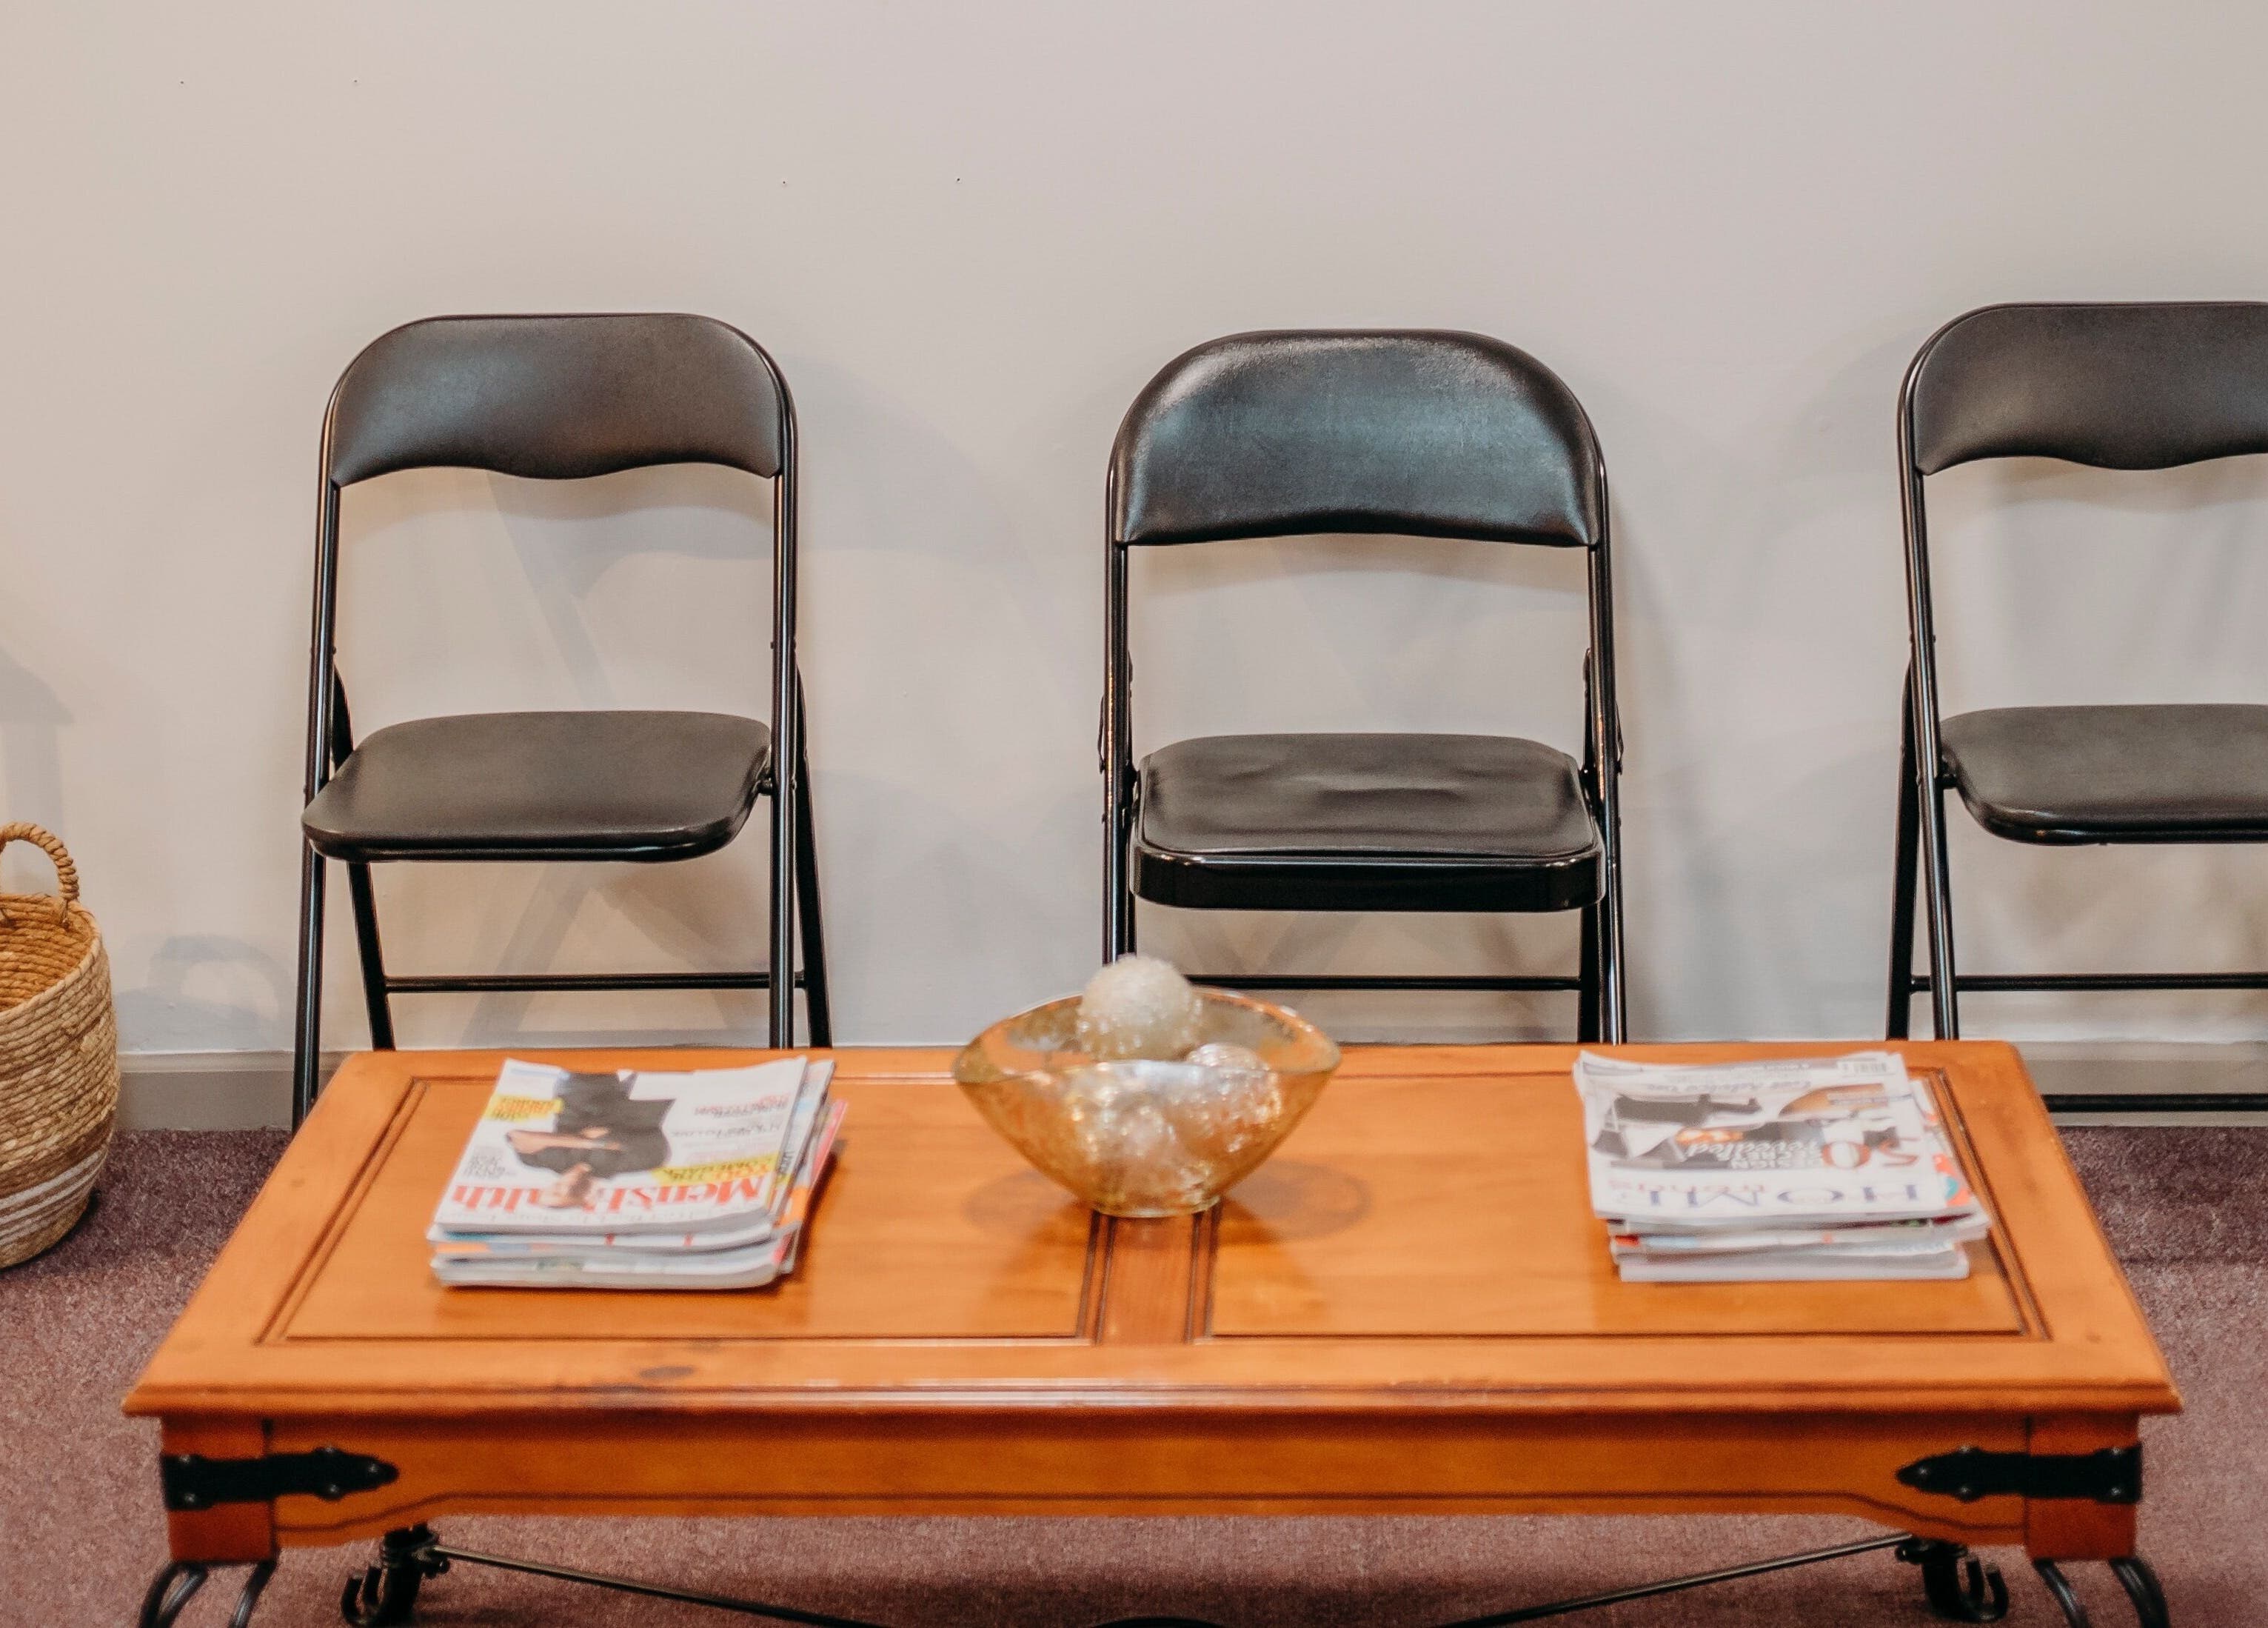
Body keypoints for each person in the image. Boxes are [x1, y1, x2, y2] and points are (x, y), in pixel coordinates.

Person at [504, 1071, 675, 1208]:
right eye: (573, 1194)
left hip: (581, 1097)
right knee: (666, 1057)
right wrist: (578, 1139)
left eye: (557, 1190)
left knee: (590, 1055)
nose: (567, 1187)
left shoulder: (536, 1160)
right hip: (640, 1104)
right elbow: (654, 1146)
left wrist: (586, 1142)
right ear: (589, 1197)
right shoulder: (635, 1166)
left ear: (547, 1188)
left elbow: (518, 1136)